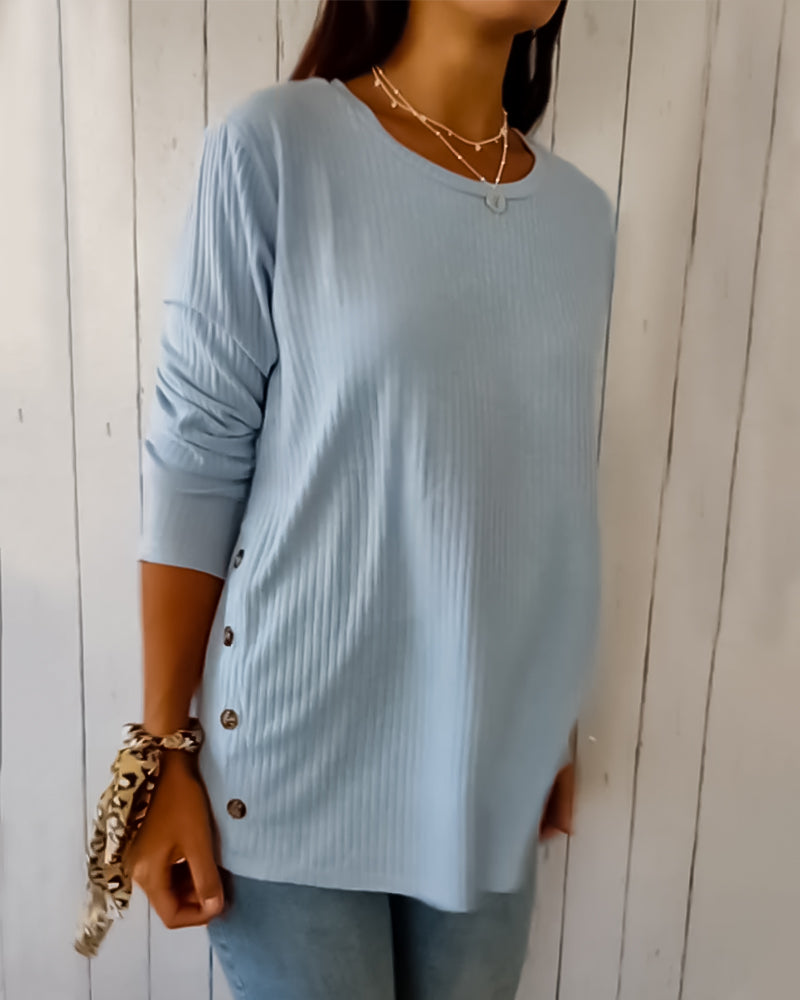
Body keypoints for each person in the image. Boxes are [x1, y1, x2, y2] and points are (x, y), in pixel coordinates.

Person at [129, 0, 616, 996]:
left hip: (484, 762)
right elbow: (197, 453)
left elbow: (537, 490)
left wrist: (543, 713)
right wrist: (161, 748)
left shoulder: (580, 218)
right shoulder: (279, 147)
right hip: (289, 762)